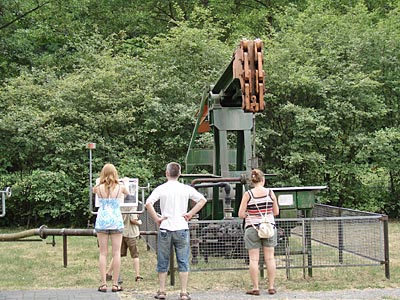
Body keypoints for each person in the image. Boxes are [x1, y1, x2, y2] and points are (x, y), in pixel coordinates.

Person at [145, 162, 207, 300]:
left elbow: (148, 203)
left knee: (163, 260)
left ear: (166, 173)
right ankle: (184, 292)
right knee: (183, 260)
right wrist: (190, 214)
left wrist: (157, 218)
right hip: (181, 227)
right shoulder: (185, 188)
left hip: (165, 227)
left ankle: (162, 291)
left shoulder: (161, 188)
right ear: (179, 174)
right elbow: (202, 200)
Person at [238, 169, 279, 296]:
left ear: (252, 181)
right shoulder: (270, 193)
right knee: (270, 258)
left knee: (254, 260)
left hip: (252, 228)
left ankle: (256, 288)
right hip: (269, 228)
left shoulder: (248, 194)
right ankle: (271, 287)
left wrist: (248, 213)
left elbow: (240, 214)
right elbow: (276, 212)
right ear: (263, 180)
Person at [93, 163, 129, 293]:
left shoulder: (98, 188)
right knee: (116, 252)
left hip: (102, 220)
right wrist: (124, 182)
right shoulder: (120, 187)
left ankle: (103, 284)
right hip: (115, 220)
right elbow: (128, 192)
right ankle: (115, 284)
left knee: (103, 253)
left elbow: (95, 188)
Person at [105, 207, 143, 284]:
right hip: (131, 233)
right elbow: (133, 219)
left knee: (117, 254)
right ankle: (137, 275)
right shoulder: (132, 206)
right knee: (135, 255)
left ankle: (108, 273)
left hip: (121, 232)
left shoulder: (120, 206)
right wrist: (139, 222)